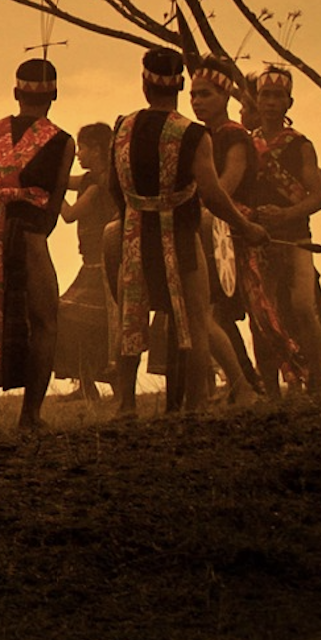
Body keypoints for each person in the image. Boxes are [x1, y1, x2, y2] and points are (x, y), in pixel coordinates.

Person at [109, 48, 263, 415]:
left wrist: (130, 214)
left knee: (131, 315)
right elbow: (213, 193)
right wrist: (246, 227)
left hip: (133, 232)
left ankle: (125, 404)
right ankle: (195, 403)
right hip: (180, 231)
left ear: (145, 85)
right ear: (179, 87)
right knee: (194, 319)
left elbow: (115, 184)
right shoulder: (193, 134)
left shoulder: (123, 126)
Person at [0, 59, 73, 429]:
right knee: (44, 321)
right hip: (30, 236)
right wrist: (35, 232)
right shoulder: (62, 142)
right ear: (54, 95)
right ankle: (30, 414)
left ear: (16, 93)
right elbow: (55, 202)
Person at [246, 66, 321, 395]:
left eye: (277, 96)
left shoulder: (300, 145)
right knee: (262, 315)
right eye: (265, 95)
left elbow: (317, 197)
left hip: (298, 238)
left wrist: (286, 214)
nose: (270, 102)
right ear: (256, 100)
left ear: (289, 102)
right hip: (258, 240)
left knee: (301, 306)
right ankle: (270, 388)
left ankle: (320, 381)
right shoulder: (247, 143)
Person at [188, 58, 270, 403]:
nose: (196, 101)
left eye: (205, 94)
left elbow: (228, 184)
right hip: (212, 226)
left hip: (236, 229)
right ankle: (245, 383)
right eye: (193, 94)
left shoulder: (235, 136)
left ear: (224, 96)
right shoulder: (198, 136)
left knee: (249, 314)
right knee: (215, 314)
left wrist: (206, 206)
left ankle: (256, 383)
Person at [56, 124, 119, 400]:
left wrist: (51, 193)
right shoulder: (91, 179)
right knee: (93, 326)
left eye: (83, 148)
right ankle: (88, 385)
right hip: (92, 264)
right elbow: (65, 180)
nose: (79, 154)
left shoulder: (99, 185)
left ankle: (110, 387)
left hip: (102, 267)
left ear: (97, 150)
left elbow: (70, 215)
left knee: (97, 325)